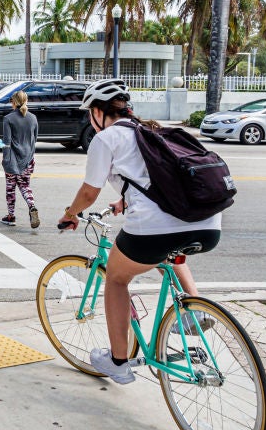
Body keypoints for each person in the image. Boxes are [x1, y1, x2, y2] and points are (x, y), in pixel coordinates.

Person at [58, 78, 221, 384]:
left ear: (98, 112)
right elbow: (161, 180)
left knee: (117, 279)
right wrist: (124, 199)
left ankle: (118, 361)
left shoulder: (105, 139)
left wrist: (70, 214)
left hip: (156, 229)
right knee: (168, 256)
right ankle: (194, 309)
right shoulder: (151, 131)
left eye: (89, 114)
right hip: (209, 224)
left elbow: (89, 193)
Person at [0, 90, 40, 230]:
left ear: (14, 102)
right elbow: (35, 139)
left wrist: (5, 159)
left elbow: (6, 143)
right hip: (28, 159)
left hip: (12, 160)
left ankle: (11, 216)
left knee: (11, 189)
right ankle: (32, 206)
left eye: (11, 101)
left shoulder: (8, 119)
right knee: (25, 186)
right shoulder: (33, 118)